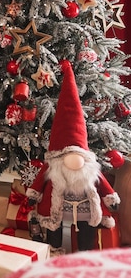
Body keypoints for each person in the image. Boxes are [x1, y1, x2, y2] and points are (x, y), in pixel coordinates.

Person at [26, 60, 120, 254]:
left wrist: (111, 198)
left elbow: (103, 185)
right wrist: (33, 196)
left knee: (87, 230)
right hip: (57, 208)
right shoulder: (53, 167)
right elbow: (38, 182)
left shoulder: (89, 168)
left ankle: (84, 252)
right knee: (54, 227)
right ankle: (54, 249)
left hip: (86, 208)